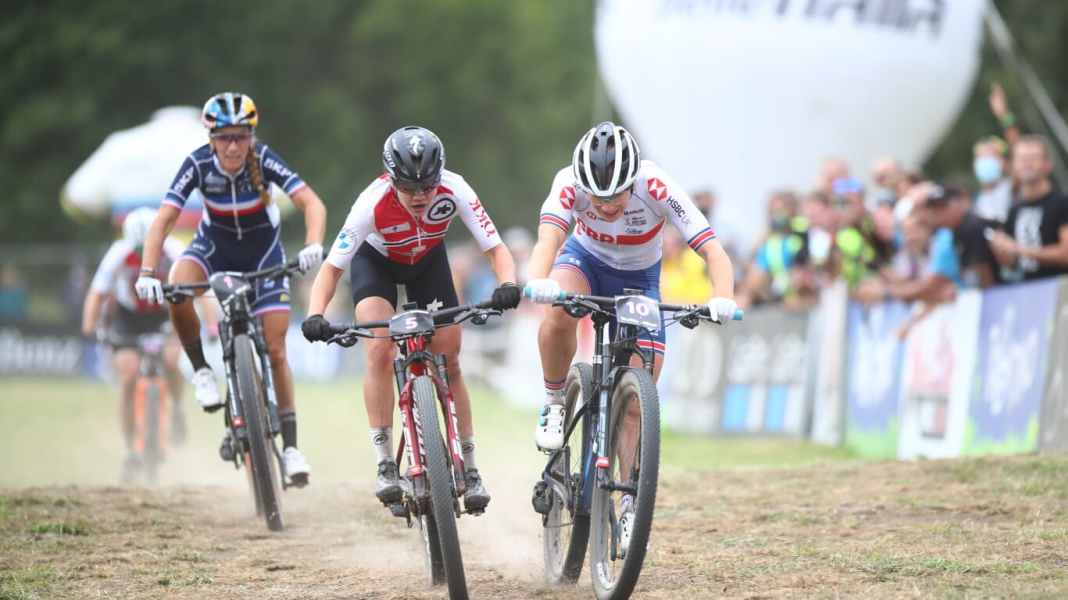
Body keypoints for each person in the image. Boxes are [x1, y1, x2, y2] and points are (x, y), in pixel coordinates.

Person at [300, 126, 520, 512]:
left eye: (428, 187)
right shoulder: (370, 204)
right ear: (390, 178)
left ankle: (470, 467)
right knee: (379, 349)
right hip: (378, 263)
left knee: (450, 360)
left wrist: (507, 284)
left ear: (440, 178)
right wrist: (315, 314)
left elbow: (496, 248)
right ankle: (385, 461)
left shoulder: (457, 190)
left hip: (428, 262)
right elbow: (333, 270)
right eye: (408, 187)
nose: (420, 197)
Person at [134, 92, 327, 485]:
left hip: (263, 257)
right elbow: (163, 221)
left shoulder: (264, 159)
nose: (234, 146)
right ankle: (202, 370)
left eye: (241, 136)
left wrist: (312, 244)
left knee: (275, 350)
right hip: (213, 250)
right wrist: (147, 271)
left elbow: (312, 204)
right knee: (177, 287)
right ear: (211, 139)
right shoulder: (198, 164)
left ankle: (290, 449)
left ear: (251, 136)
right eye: (224, 138)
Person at [82, 208, 187, 480]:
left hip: (164, 311)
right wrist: (89, 328)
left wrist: (207, 325)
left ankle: (177, 408)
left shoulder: (175, 250)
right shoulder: (118, 253)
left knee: (172, 361)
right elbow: (97, 293)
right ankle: (131, 450)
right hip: (128, 318)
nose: (144, 255)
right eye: (139, 250)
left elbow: (197, 290)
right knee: (128, 376)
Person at [988, 135, 1068, 281]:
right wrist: (999, 247)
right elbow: (1012, 264)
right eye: (1021, 159)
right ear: (1013, 166)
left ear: (1048, 164)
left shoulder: (1062, 203)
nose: (1027, 163)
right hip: (1031, 293)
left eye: (1033, 157)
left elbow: (1066, 254)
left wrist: (1018, 249)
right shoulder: (1014, 210)